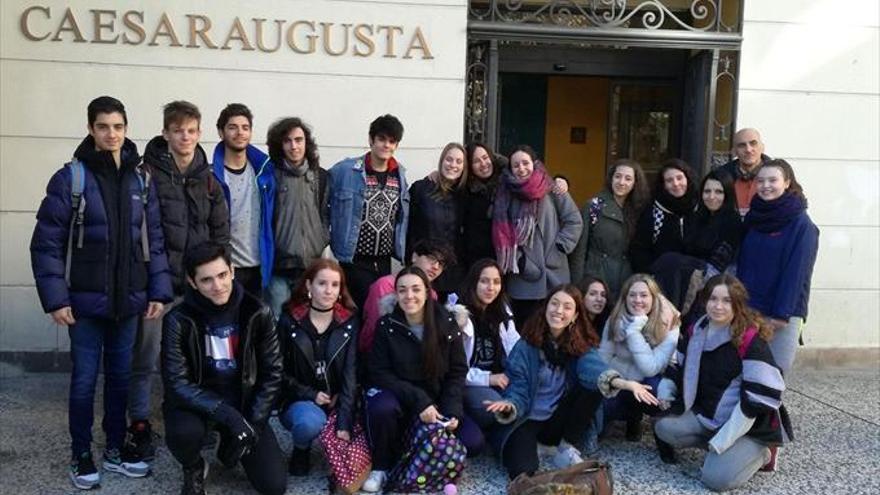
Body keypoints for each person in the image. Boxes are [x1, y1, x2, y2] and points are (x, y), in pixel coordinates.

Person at [30, 96, 172, 489]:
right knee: (84, 380)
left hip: (129, 302)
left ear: (126, 128)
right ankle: (81, 453)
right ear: (91, 129)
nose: (112, 134)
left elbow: (154, 241)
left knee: (120, 379)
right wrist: (56, 299)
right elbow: (46, 243)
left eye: (118, 126)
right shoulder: (70, 179)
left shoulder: (141, 179)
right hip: (84, 306)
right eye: (103, 126)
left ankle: (113, 446)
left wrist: (158, 290)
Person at [127, 100, 230, 462]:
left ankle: (196, 420)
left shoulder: (209, 178)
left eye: (191, 130)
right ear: (166, 133)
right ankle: (138, 423)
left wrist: (215, 279)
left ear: (199, 133)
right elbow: (139, 233)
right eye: (177, 131)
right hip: (159, 285)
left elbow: (220, 232)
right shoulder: (146, 174)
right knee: (146, 357)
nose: (184, 137)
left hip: (198, 287)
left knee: (199, 358)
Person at [484, 285, 657, 479]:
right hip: (528, 418)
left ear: (575, 315)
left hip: (558, 419)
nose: (559, 311)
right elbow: (518, 386)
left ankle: (565, 446)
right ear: (545, 307)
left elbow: (594, 369)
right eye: (554, 304)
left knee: (594, 385)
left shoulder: (578, 344)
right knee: (522, 471)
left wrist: (625, 384)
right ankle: (537, 448)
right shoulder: (526, 346)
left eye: (567, 307)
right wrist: (510, 404)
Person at [162, 243, 285, 495]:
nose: (217, 286)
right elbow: (177, 383)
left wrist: (252, 423)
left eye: (221, 275)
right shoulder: (178, 319)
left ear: (232, 270)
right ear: (192, 282)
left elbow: (272, 374)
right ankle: (194, 466)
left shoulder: (258, 312)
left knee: (273, 486)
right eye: (206, 280)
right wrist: (227, 415)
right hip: (199, 405)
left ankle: (230, 441)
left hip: (244, 402)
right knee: (183, 433)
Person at [655, 275, 792, 491]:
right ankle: (721, 451)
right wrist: (666, 392)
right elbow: (677, 368)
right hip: (709, 415)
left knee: (715, 480)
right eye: (713, 299)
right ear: (705, 301)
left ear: (737, 304)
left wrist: (721, 442)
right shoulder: (696, 330)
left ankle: (763, 454)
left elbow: (753, 404)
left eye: (727, 301)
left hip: (748, 426)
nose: (718, 306)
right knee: (663, 428)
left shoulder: (750, 341)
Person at [363, 266, 483, 493]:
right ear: (395, 295)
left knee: (473, 442)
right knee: (381, 407)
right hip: (401, 401)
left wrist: (452, 411)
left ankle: (416, 450)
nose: (409, 296)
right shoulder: (387, 325)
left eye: (416, 289)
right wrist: (419, 400)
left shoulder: (447, 322)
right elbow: (379, 373)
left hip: (438, 401)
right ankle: (382, 466)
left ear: (428, 292)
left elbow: (457, 372)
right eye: (403, 290)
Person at [737, 159, 819, 376]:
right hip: (749, 309)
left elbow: (797, 273)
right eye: (761, 180)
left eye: (773, 180)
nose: (766, 186)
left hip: (781, 314)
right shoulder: (754, 218)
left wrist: (781, 314)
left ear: (787, 183)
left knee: (772, 374)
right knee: (746, 373)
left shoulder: (802, 225)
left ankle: (770, 412)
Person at [277, 259, 358, 476]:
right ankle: (301, 449)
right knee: (309, 422)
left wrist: (343, 420)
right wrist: (310, 394)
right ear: (308, 286)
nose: (329, 291)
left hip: (338, 399)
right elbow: (276, 370)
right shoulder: (289, 320)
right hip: (299, 400)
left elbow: (351, 374)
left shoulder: (349, 323)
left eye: (335, 285)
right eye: (322, 283)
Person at [493, 145, 583, 327]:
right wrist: (522, 262)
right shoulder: (504, 194)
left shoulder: (552, 188)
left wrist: (560, 247)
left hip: (555, 274)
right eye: (516, 165)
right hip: (522, 278)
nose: (521, 168)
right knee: (525, 331)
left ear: (534, 164)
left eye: (525, 163)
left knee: (555, 330)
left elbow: (574, 220)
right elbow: (503, 235)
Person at [328, 115, 409, 310]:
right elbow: (322, 199)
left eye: (392, 141)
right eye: (381, 139)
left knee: (379, 313)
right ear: (371, 140)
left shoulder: (400, 175)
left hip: (383, 261)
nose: (386, 145)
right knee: (355, 312)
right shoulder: (346, 171)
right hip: (353, 259)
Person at [598, 274, 679, 440]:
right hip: (620, 380)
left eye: (644, 295)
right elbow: (603, 359)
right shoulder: (615, 319)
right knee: (603, 405)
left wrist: (634, 332)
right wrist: (620, 383)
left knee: (658, 392)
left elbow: (650, 368)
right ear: (625, 297)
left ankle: (661, 436)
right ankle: (626, 417)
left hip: (648, 381)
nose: (637, 300)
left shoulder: (669, 323)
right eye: (632, 295)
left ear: (654, 298)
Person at [266, 117, 330, 318]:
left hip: (311, 267)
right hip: (279, 266)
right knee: (277, 321)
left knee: (307, 322)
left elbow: (326, 215)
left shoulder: (321, 177)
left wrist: (321, 240)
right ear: (280, 145)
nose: (294, 146)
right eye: (287, 141)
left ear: (306, 142)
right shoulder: (271, 176)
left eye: (298, 140)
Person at [651, 169, 743, 310]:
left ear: (728, 194)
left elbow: (719, 267)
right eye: (707, 191)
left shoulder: (733, 222)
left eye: (719, 192)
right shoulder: (696, 218)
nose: (712, 197)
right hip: (685, 284)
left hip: (711, 289)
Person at [212, 103, 276, 296]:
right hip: (226, 269)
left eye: (245, 128)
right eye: (232, 127)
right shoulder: (211, 176)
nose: (240, 133)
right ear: (221, 132)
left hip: (260, 268)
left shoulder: (265, 173)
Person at [570, 159, 649, 299]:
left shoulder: (640, 210)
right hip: (595, 278)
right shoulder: (594, 206)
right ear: (611, 178)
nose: (621, 182)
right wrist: (577, 285)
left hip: (626, 280)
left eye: (628, 178)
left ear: (635, 183)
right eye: (617, 176)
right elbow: (580, 249)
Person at [359, 239, 453, 354]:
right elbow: (372, 330)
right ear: (414, 256)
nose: (436, 267)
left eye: (442, 264)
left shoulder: (432, 295)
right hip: (379, 356)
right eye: (432, 259)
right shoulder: (385, 285)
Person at [458, 258, 520, 428]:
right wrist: (488, 379)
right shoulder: (458, 316)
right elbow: (453, 368)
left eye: (496, 282)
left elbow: (515, 345)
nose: (491, 288)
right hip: (470, 383)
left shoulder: (502, 310)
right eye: (484, 281)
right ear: (473, 282)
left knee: (525, 399)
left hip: (501, 377)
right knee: (497, 408)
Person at [406, 143, 468, 298]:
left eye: (459, 161)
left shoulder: (465, 195)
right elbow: (406, 226)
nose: (453, 165)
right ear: (441, 161)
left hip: (453, 273)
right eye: (449, 159)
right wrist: (411, 257)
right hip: (424, 268)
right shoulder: (421, 189)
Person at [629, 158, 698, 274]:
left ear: (688, 178)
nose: (676, 184)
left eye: (679, 178)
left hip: (695, 283)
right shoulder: (654, 212)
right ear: (663, 185)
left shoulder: (699, 208)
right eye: (669, 180)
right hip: (661, 282)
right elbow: (639, 251)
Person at [462, 142, 506, 267]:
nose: (483, 164)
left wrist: (560, 180)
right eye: (476, 161)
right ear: (470, 166)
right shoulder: (465, 190)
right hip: (475, 259)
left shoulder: (508, 182)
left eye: (485, 158)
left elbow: (533, 173)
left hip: (505, 256)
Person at [717, 128, 771, 216]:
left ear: (762, 147)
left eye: (753, 143)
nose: (748, 150)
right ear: (734, 151)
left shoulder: (779, 175)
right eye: (742, 145)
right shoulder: (721, 177)